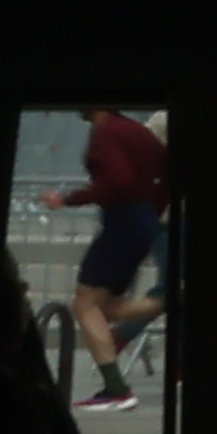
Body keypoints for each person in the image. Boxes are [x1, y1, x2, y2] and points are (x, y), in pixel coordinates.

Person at [57, 101, 170, 398]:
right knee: (104, 306)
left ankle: (116, 389)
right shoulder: (138, 132)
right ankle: (173, 298)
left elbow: (116, 180)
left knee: (84, 304)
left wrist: (69, 199)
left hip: (123, 221)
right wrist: (152, 211)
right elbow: (168, 172)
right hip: (142, 221)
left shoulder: (107, 132)